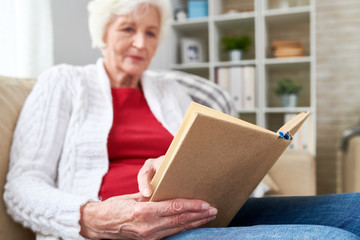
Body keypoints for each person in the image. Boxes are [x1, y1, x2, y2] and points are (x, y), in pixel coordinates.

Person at [3, 0, 360, 239]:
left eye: (151, 32)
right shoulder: (63, 82)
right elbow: (22, 187)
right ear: (103, 33)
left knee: (355, 209)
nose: (141, 44)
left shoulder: (169, 89)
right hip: (133, 230)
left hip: (207, 211)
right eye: (128, 29)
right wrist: (94, 218)